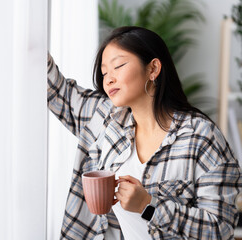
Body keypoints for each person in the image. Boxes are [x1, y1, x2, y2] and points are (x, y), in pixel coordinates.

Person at [47, 26, 242, 239]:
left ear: (153, 69)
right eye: (104, 72)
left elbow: (221, 229)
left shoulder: (201, 136)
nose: (108, 79)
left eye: (118, 66)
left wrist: (148, 205)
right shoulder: (104, 118)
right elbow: (57, 91)